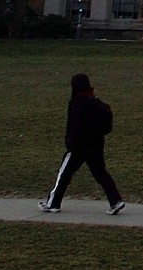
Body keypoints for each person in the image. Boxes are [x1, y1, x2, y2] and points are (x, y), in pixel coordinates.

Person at [39, 73, 125, 215]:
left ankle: (53, 203)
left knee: (64, 174)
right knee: (100, 173)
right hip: (96, 144)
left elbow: (73, 126)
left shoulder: (76, 105)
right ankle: (115, 200)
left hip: (78, 146)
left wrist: (70, 142)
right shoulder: (97, 104)